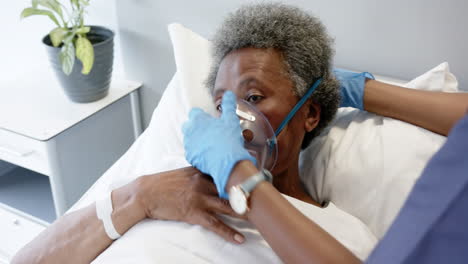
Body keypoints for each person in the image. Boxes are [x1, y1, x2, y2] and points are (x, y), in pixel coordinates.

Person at [12, 3, 468, 264]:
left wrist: (242, 179)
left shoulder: (338, 237)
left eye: (253, 98)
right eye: (221, 103)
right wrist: (138, 198)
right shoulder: (164, 181)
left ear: (309, 115)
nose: (233, 120)